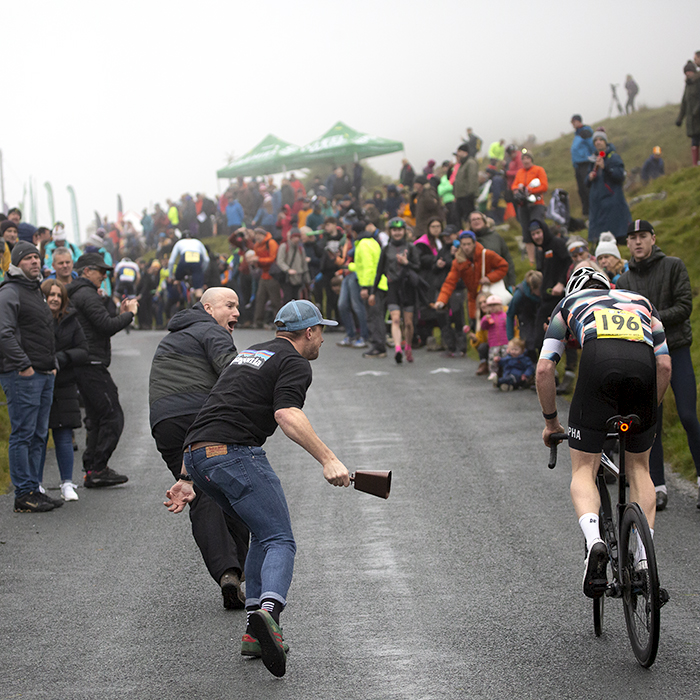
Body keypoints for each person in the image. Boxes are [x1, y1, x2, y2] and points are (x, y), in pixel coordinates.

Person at [164, 299, 350, 678]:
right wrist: (328, 458)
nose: (323, 341)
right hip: (234, 454)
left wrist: (186, 478)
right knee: (280, 539)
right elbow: (286, 414)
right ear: (310, 332)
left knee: (261, 536)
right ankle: (269, 614)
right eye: (322, 333)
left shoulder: (252, 353)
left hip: (198, 455)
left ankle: (253, 634)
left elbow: (214, 406)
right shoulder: (294, 362)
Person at [537, 266, 672, 598]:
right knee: (639, 468)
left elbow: (544, 368)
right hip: (643, 371)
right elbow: (665, 365)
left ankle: (595, 541)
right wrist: (647, 415)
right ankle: (643, 561)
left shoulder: (570, 303)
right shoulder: (641, 301)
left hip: (597, 365)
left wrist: (552, 422)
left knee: (585, 468)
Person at [150, 287, 250, 608]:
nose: (236, 313)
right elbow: (233, 370)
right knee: (235, 487)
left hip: (165, 424)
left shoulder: (174, 336)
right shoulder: (210, 330)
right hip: (200, 419)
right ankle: (237, 568)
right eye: (230, 306)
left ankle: (228, 572)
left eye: (238, 306)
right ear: (208, 308)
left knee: (202, 492)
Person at [617, 220, 700, 510]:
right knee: (652, 423)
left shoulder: (674, 266)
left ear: (653, 238)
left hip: (676, 350)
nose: (638, 242)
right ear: (627, 244)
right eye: (632, 238)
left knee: (689, 417)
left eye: (643, 236)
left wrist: (650, 319)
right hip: (645, 357)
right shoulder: (624, 282)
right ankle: (658, 487)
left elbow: (685, 306)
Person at [67, 253, 137, 488]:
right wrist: (130, 314)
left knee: (97, 418)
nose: (105, 275)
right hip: (91, 363)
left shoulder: (81, 292)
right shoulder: (85, 294)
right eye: (101, 270)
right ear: (87, 271)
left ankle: (93, 469)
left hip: (85, 363)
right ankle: (97, 467)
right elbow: (106, 325)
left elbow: (100, 320)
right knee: (112, 415)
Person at [0, 242, 60, 512]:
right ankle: (23, 493)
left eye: (37, 257)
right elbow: (4, 333)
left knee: (38, 434)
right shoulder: (10, 291)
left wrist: (53, 362)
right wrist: (24, 365)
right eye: (28, 258)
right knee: (23, 434)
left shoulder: (35, 290)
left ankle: (35, 488)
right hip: (22, 374)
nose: (35, 261)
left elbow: (43, 330)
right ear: (16, 263)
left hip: (44, 372)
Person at [40, 279, 88, 501]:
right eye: (51, 294)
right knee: (39, 436)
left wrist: (62, 358)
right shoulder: (34, 320)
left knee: (64, 434)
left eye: (59, 295)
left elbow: (83, 350)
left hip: (65, 384)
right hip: (40, 384)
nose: (55, 298)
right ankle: (36, 483)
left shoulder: (71, 321)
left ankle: (67, 483)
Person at [434, 230, 509, 335]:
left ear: (474, 243)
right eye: (463, 244)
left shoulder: (486, 254)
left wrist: (489, 278)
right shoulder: (458, 262)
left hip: (488, 295)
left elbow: (504, 266)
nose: (466, 247)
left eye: (469, 244)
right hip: (474, 298)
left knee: (494, 325)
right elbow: (450, 282)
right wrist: (441, 300)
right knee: (476, 327)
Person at [370, 218, 422, 363]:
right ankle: (398, 348)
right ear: (390, 232)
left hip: (408, 287)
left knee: (408, 323)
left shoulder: (411, 247)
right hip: (392, 286)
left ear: (404, 231)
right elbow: (379, 271)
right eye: (394, 230)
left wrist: (407, 263)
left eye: (400, 230)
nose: (397, 233)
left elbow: (418, 267)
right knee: (395, 319)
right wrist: (373, 292)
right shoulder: (386, 249)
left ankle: (408, 346)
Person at [530, 219, 571, 352]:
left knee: (565, 333)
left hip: (561, 297)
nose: (536, 236)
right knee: (539, 337)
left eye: (538, 232)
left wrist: (561, 283)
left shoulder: (557, 243)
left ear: (544, 231)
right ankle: (546, 367)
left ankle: (570, 368)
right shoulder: (540, 250)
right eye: (533, 234)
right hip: (546, 298)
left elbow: (568, 263)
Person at [586, 129, 631, 245]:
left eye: (601, 140)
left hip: (612, 198)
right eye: (595, 140)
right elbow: (586, 182)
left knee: (615, 224)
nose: (598, 142)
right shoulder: (592, 160)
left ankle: (619, 242)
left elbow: (619, 175)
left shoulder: (613, 157)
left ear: (605, 142)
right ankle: (597, 242)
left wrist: (605, 167)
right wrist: (589, 177)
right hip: (597, 199)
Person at [512, 152, 548, 265]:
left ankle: (542, 253)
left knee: (537, 227)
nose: (525, 160)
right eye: (523, 158)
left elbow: (544, 186)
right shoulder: (520, 172)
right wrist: (518, 190)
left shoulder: (538, 170)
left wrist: (529, 190)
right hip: (523, 205)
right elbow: (514, 185)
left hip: (536, 203)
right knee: (526, 231)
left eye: (527, 158)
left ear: (531, 159)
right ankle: (531, 260)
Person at [468, 211, 515, 289]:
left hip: (499, 280)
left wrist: (511, 282)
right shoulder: (467, 241)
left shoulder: (495, 237)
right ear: (470, 224)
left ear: (484, 221)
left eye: (478, 218)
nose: (476, 221)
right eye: (473, 220)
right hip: (476, 284)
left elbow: (507, 258)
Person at [506, 269, 542, 362]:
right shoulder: (519, 295)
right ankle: (531, 369)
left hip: (539, 317)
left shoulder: (543, 290)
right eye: (539, 290)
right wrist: (510, 339)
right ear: (532, 288)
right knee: (530, 344)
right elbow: (510, 314)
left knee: (542, 342)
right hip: (525, 319)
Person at [251, 228, 282, 329]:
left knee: (275, 300)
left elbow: (273, 258)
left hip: (272, 275)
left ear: (263, 235)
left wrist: (259, 259)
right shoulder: (256, 245)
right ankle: (258, 321)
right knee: (260, 299)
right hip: (263, 275)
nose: (257, 238)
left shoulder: (271, 243)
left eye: (258, 235)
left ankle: (278, 322)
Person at [167, 231, 210, 301]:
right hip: (197, 262)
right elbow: (207, 260)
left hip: (184, 261)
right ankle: (199, 302)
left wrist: (170, 276)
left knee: (177, 280)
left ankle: (179, 297)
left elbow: (171, 261)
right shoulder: (198, 242)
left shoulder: (179, 242)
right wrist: (202, 270)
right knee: (198, 288)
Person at [570, 115, 596, 216]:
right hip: (578, 165)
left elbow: (591, 145)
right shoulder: (576, 134)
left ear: (578, 121)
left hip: (586, 163)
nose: (572, 124)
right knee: (581, 189)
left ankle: (593, 210)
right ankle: (586, 212)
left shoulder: (585, 132)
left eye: (574, 122)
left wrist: (593, 157)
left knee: (587, 188)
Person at [676, 62, 700, 167]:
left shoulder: (698, 82)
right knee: (694, 141)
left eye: (689, 71)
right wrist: (680, 119)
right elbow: (684, 103)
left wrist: (696, 111)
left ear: (694, 71)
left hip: (698, 117)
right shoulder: (688, 85)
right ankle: (695, 163)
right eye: (686, 72)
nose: (687, 74)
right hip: (692, 120)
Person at [479, 294, 508, 382]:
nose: (493, 308)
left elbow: (512, 325)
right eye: (490, 306)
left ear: (500, 305)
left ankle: (505, 371)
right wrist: (485, 320)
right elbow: (483, 327)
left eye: (495, 305)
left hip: (505, 341)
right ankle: (493, 372)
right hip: (494, 342)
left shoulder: (505, 316)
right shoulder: (487, 317)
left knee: (505, 357)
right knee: (493, 358)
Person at [453, 142, 479, 226]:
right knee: (459, 218)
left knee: (470, 218)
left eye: (459, 151)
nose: (458, 154)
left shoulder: (470, 163)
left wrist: (470, 194)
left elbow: (472, 179)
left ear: (465, 152)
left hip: (467, 197)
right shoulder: (462, 164)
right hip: (460, 196)